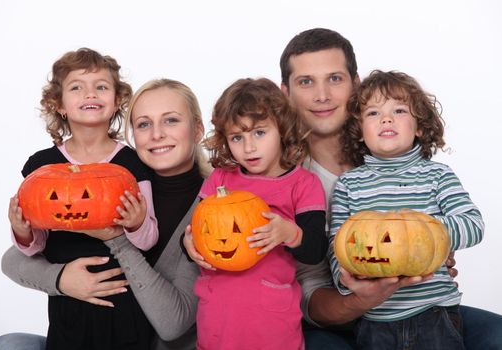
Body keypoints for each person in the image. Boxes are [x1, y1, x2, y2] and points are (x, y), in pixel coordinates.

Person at [279, 27, 502, 350]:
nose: (322, 95)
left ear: (356, 85)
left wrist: (425, 243)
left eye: (335, 79)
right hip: (349, 319)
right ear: (286, 92)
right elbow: (316, 284)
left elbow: (462, 224)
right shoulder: (289, 179)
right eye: (306, 82)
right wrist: (357, 293)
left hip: (429, 310)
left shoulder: (412, 163)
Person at [0, 78, 209, 349]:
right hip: (82, 335)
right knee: (7, 345)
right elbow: (12, 260)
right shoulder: (119, 184)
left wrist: (115, 239)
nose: (156, 134)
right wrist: (61, 279)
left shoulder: (210, 206)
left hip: (144, 343)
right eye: (143, 124)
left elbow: (172, 323)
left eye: (171, 120)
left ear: (197, 129)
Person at [7, 47, 161, 350]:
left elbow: (149, 239)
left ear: (117, 101)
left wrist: (137, 222)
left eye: (101, 87)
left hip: (125, 305)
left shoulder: (132, 164)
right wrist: (23, 232)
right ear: (59, 104)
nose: (90, 94)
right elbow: (35, 246)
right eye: (77, 87)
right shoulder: (41, 167)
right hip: (68, 304)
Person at [328, 69, 484, 349]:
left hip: (434, 315)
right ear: (360, 131)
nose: (386, 118)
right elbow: (338, 242)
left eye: (399, 110)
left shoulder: (437, 175)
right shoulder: (349, 185)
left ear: (420, 126)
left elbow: (472, 224)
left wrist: (419, 234)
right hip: (374, 320)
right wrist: (347, 280)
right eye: (373, 113)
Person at [182, 77, 328, 349]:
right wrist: (187, 244)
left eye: (259, 133)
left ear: (282, 129)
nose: (248, 147)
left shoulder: (303, 184)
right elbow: (195, 230)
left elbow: (316, 249)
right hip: (216, 322)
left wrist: (290, 233)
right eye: (237, 137)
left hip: (273, 327)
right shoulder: (220, 180)